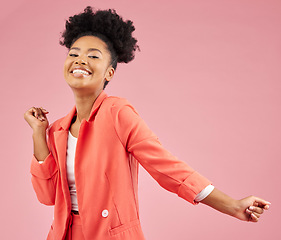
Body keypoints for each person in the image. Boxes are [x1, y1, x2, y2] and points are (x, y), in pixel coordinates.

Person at [24, 6, 270, 240]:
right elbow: (47, 196)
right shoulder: (57, 129)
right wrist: (39, 132)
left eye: (93, 56)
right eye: (74, 54)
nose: (79, 60)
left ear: (109, 73)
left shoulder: (117, 112)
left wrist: (232, 206)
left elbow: (166, 167)